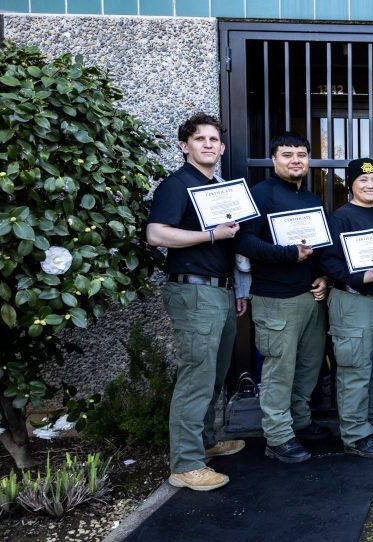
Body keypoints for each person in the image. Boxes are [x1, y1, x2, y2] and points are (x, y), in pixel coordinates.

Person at [147, 113, 245, 491]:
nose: (208, 144)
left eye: (214, 139)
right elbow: (156, 234)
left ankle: (204, 442)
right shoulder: (177, 184)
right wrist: (210, 234)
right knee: (197, 376)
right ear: (184, 145)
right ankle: (185, 464)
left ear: (221, 148)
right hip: (193, 290)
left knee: (215, 374)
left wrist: (235, 289)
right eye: (199, 138)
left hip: (218, 289)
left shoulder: (217, 187)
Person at [235, 132, 330, 464]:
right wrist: (289, 254)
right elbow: (245, 243)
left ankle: (299, 421)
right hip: (275, 299)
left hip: (310, 297)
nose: (295, 161)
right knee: (279, 370)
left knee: (308, 367)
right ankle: (277, 437)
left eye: (301, 155)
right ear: (273, 159)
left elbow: (320, 249)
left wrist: (322, 275)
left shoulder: (312, 200)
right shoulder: (259, 196)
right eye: (287, 154)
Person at [320, 158, 373, 458]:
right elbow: (328, 261)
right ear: (351, 185)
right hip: (353, 302)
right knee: (355, 371)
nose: (370, 185)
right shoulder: (341, 218)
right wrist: (359, 277)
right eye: (363, 181)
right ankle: (355, 434)